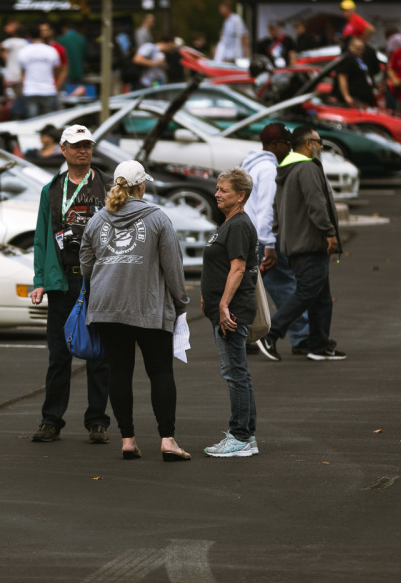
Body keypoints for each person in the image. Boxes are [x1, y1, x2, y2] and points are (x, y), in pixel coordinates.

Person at [80, 159, 190, 461]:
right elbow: (173, 268)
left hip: (107, 309)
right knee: (161, 372)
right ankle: (167, 440)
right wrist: (181, 303)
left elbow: (86, 268)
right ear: (141, 186)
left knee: (119, 372)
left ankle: (128, 440)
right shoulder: (158, 219)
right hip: (149, 306)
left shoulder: (97, 220)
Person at [28, 125, 111, 444]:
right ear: (62, 149)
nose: (83, 150)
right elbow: (40, 238)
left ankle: (97, 421)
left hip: (100, 280)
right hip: (63, 280)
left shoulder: (106, 184)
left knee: (99, 354)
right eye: (76, 145)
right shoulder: (51, 190)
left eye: (88, 145)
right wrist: (39, 280)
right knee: (59, 354)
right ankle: (51, 420)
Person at [256, 125, 347, 362]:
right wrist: (329, 233)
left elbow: (276, 208)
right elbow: (315, 203)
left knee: (321, 297)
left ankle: (318, 345)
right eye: (319, 143)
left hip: (297, 243)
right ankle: (270, 333)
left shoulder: (286, 168)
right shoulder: (306, 167)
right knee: (308, 292)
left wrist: (280, 233)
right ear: (308, 144)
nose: (320, 147)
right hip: (309, 243)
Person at [201, 168, 261, 457]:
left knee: (234, 373)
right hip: (225, 309)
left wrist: (223, 304)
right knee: (238, 373)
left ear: (241, 195)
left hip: (232, 311)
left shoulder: (238, 225)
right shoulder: (229, 223)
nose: (217, 194)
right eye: (217, 188)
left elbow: (237, 268)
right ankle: (246, 435)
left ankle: (239, 436)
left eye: (223, 190)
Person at [242, 123, 309, 353]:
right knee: (285, 285)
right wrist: (269, 244)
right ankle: (302, 337)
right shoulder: (269, 170)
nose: (289, 150)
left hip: (247, 235)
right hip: (263, 238)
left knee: (249, 288)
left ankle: (245, 336)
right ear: (273, 145)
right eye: (286, 145)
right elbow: (267, 210)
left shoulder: (249, 165)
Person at [18, 23, 62, 117]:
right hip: (48, 90)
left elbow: (22, 72)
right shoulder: (51, 50)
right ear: (41, 35)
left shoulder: (23, 51)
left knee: (32, 123)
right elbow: (57, 71)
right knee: (48, 122)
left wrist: (25, 85)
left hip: (30, 90)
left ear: (29, 37)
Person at [334, 35, 377, 107]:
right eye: (357, 48)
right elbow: (342, 78)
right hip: (355, 98)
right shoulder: (346, 59)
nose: (360, 51)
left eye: (361, 48)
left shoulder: (361, 59)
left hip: (365, 97)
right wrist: (347, 96)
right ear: (350, 47)